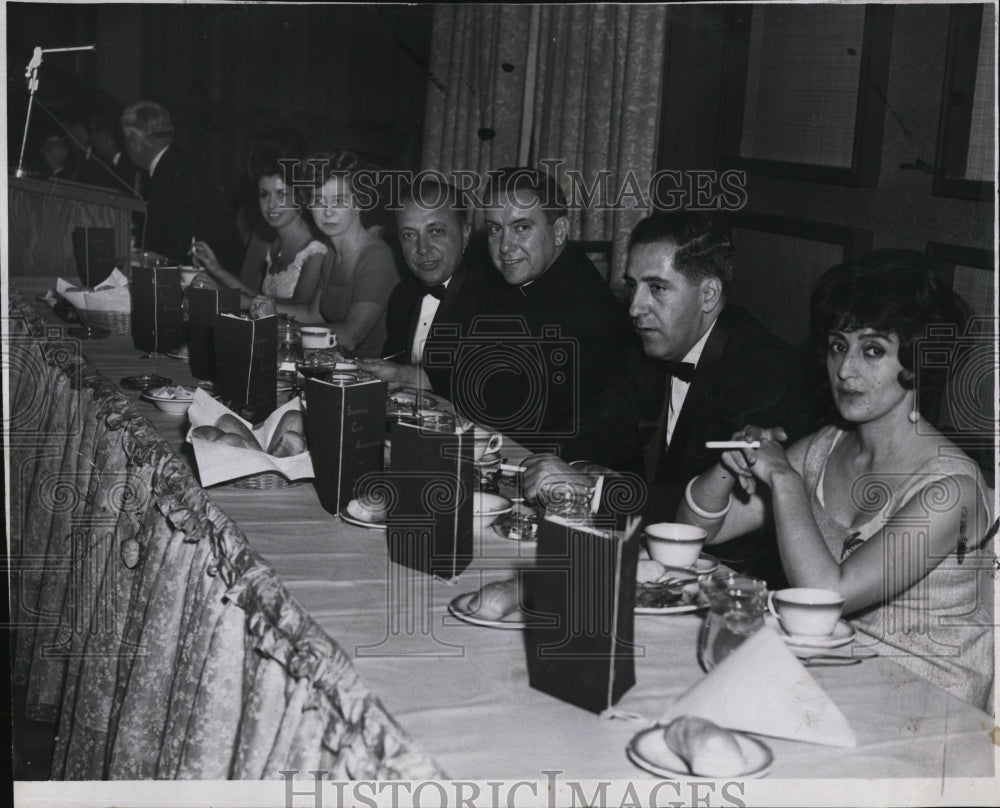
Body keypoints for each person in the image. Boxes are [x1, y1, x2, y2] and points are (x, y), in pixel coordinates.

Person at [677, 250, 994, 708]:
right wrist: (729, 465)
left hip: (927, 705)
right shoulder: (826, 447)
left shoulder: (951, 489)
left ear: (918, 358)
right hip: (838, 671)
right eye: (838, 345)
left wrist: (784, 479)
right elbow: (693, 533)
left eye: (873, 350)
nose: (845, 370)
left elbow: (825, 596)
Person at [523, 212, 813, 586]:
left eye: (657, 288)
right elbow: (588, 430)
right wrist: (576, 466)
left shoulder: (766, 374)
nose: (633, 308)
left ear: (708, 294)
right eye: (632, 286)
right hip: (651, 557)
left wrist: (592, 489)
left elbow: (699, 508)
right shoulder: (653, 350)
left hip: (734, 582)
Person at [469, 166, 634, 450]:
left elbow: (513, 412)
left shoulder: (581, 304)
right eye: (495, 230)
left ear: (559, 232)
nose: (505, 247)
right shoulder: (519, 281)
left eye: (521, 228)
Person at [359, 175, 500, 393]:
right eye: (409, 235)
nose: (422, 248)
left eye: (436, 231)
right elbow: (393, 363)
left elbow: (485, 387)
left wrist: (405, 376)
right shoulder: (402, 295)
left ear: (465, 233)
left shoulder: (492, 299)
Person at [253, 156, 400, 356]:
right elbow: (313, 314)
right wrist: (261, 305)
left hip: (368, 377)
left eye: (338, 200)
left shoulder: (376, 256)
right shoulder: (331, 254)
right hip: (334, 367)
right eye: (319, 201)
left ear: (359, 203)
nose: (328, 212)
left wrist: (277, 323)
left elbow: (350, 336)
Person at [190, 141, 326, 305]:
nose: (271, 205)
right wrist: (217, 270)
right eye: (264, 195)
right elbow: (264, 300)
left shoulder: (316, 250)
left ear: (299, 196)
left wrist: (224, 294)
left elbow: (299, 312)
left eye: (281, 194)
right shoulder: (275, 243)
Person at [121, 100, 241, 269]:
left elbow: (164, 249)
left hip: (211, 276)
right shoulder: (176, 163)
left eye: (125, 140)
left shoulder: (169, 174)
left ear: (135, 141)